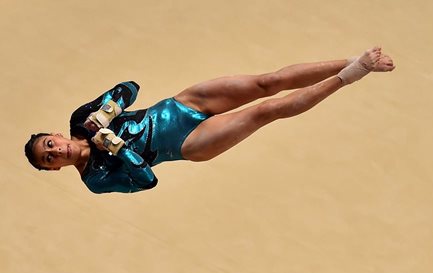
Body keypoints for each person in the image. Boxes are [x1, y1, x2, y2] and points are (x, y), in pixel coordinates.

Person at [24, 47, 395, 194]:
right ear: (55, 169)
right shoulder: (96, 178)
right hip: (190, 143)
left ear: (57, 135)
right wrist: (119, 149)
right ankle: (351, 75)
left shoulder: (81, 120)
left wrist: (105, 113)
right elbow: (147, 180)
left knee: (267, 82)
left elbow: (130, 88)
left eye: (49, 145)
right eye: (49, 158)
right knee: (267, 110)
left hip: (182, 105)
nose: (55, 151)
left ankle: (354, 58)